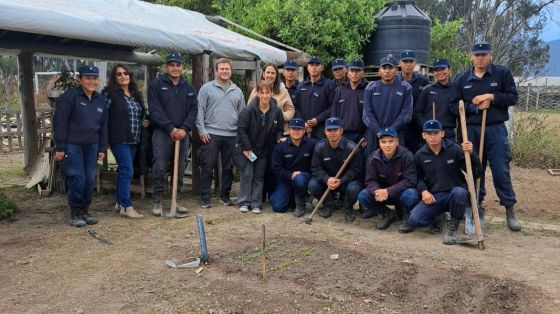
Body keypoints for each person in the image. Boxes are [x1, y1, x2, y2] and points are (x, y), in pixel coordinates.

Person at [451, 41, 522, 231]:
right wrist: (474, 107)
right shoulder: (462, 79)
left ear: (490, 55)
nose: (480, 58)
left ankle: (509, 210)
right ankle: (476, 206)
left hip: (495, 130)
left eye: (484, 54)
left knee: (500, 170)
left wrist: (491, 97)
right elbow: (453, 106)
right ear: (471, 57)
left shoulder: (502, 74)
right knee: (475, 171)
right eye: (477, 55)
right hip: (472, 130)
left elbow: (513, 97)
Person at [406, 120, 481, 245]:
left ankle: (453, 227)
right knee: (414, 220)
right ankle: (438, 217)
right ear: (423, 135)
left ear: (442, 133)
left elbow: (476, 174)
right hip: (435, 197)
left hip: (455, 194)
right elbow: (417, 179)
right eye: (429, 133)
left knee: (460, 192)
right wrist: (424, 191)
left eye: (436, 133)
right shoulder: (420, 155)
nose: (433, 136)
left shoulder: (455, 150)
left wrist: (472, 154)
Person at [53, 65, 107, 227]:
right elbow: (60, 123)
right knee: (77, 177)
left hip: (92, 146)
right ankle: (75, 212)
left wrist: (102, 148)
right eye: (88, 78)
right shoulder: (70, 97)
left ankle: (85, 210)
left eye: (95, 78)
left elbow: (104, 126)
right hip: (72, 145)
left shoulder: (100, 100)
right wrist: (60, 147)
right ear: (80, 79)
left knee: (89, 179)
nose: (92, 81)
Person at [148, 53, 198, 217]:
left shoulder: (188, 87)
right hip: (163, 133)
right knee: (160, 166)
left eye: (178, 65)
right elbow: (155, 111)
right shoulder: (156, 85)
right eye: (172, 65)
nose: (175, 68)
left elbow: (193, 110)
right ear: (166, 67)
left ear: (182, 67)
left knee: (180, 168)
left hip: (182, 134)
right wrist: (171, 128)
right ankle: (158, 200)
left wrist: (184, 128)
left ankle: (176, 200)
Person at [196, 58, 245, 209]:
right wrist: (202, 130)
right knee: (207, 165)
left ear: (231, 71)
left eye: (227, 69)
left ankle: (225, 195)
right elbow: (199, 110)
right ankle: (205, 197)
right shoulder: (206, 88)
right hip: (211, 133)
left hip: (231, 134)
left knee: (228, 168)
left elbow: (242, 114)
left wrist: (240, 134)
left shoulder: (237, 91)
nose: (224, 71)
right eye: (221, 69)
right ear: (216, 71)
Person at [234, 80, 285, 214]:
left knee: (258, 176)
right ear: (257, 93)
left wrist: (279, 138)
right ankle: (244, 202)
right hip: (248, 149)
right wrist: (247, 147)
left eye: (267, 92)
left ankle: (256, 203)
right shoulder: (248, 110)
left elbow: (279, 129)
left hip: (264, 150)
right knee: (247, 175)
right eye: (261, 93)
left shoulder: (277, 111)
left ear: (271, 93)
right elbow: (242, 130)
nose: (264, 96)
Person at [104, 64, 146, 219]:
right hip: (118, 138)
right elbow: (103, 116)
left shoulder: (136, 94)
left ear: (130, 75)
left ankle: (119, 203)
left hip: (134, 138)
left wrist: (144, 121)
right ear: (114, 78)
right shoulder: (110, 94)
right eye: (119, 74)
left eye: (125, 73)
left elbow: (140, 113)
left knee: (123, 170)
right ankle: (127, 207)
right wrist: (105, 138)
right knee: (128, 170)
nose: (123, 76)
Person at [357, 127, 419, 230]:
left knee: (412, 195)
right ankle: (387, 213)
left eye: (391, 141)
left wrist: (388, 191)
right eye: (384, 142)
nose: (387, 145)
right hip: (381, 195)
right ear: (379, 143)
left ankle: (406, 214)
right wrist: (377, 191)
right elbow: (370, 180)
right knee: (363, 196)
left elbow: (410, 180)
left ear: (397, 141)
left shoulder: (407, 156)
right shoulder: (373, 158)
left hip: (400, 193)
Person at [308, 117, 363, 221]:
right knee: (312, 185)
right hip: (327, 181)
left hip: (345, 181)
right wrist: (327, 179)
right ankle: (328, 204)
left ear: (341, 131)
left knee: (353, 188)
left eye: (335, 130)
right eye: (329, 130)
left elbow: (356, 170)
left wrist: (341, 180)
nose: (332, 133)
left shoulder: (352, 148)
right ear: (325, 131)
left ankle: (348, 207)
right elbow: (316, 168)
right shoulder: (320, 147)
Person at [362, 54, 413, 155]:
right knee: (372, 163)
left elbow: (406, 114)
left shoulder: (405, 87)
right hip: (374, 134)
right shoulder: (371, 87)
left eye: (390, 67)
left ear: (396, 70)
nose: (387, 71)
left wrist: (391, 131)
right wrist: (379, 131)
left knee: (398, 165)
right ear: (379, 71)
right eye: (384, 68)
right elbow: (367, 114)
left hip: (397, 133)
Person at [269, 118, 317, 216]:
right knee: (278, 207)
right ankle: (290, 197)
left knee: (299, 179)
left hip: (304, 177)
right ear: (289, 130)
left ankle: (301, 203)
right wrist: (290, 175)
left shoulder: (312, 144)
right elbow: (275, 167)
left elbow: (316, 164)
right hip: (286, 178)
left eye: (299, 129)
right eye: (293, 129)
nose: (296, 131)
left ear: (304, 131)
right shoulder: (280, 146)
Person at [413, 58, 457, 141]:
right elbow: (417, 113)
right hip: (430, 132)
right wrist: (426, 125)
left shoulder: (456, 89)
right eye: (436, 70)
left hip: (448, 133)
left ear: (449, 70)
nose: (440, 72)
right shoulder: (427, 90)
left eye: (443, 69)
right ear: (433, 72)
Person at [294, 55, 336, 139]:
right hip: (303, 129)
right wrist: (303, 123)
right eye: (311, 65)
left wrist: (318, 120)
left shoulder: (329, 85)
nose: (314, 67)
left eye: (317, 65)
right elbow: (296, 106)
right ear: (308, 68)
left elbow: (333, 107)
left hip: (321, 130)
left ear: (322, 68)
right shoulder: (300, 86)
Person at [398, 50, 430, 152]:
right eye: (405, 62)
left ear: (415, 63)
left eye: (410, 62)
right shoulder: (395, 82)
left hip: (417, 127)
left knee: (418, 154)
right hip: (400, 126)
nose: (408, 65)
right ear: (400, 63)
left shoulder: (423, 81)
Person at [248, 63, 295, 131]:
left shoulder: (282, 91)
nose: (270, 75)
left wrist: (280, 116)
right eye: (268, 72)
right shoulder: (255, 91)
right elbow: (249, 109)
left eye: (273, 73)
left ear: (276, 75)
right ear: (264, 74)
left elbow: (291, 110)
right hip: (258, 132)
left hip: (278, 132)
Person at [330, 60, 368, 143]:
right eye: (352, 71)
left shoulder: (368, 90)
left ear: (363, 72)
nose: (354, 74)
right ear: (347, 72)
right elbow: (334, 113)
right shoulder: (340, 90)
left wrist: (367, 136)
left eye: (358, 71)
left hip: (361, 136)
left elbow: (371, 116)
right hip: (343, 135)